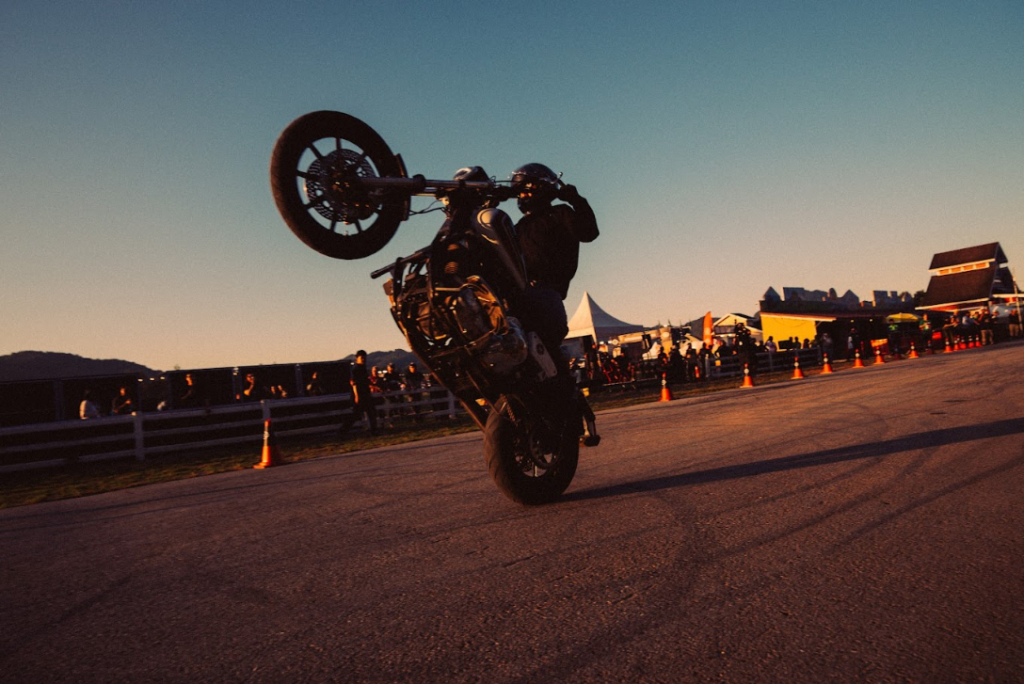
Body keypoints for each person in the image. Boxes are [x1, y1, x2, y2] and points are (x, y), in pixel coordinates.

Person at [347, 350, 378, 435]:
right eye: (361, 358)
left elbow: (367, 381)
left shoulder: (363, 368)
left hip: (366, 394)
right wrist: (356, 396)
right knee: (356, 415)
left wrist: (375, 386)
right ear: (357, 358)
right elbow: (354, 384)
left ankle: (374, 430)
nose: (363, 359)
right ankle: (342, 431)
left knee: (371, 412)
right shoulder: (355, 369)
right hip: (359, 394)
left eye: (364, 357)